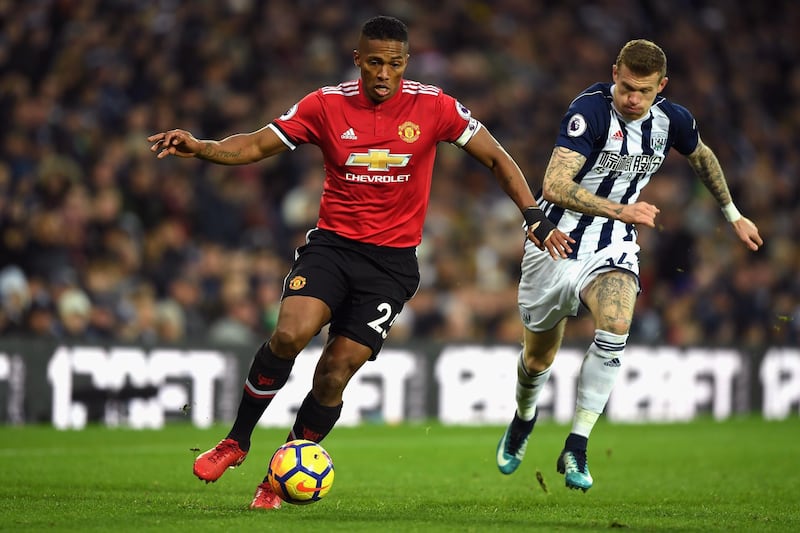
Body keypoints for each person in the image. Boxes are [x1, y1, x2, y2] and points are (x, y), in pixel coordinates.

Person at [149, 15, 573, 510]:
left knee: (336, 369)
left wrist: (534, 217)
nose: (384, 73)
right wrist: (201, 148)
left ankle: (278, 475)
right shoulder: (324, 105)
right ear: (358, 60)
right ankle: (236, 441)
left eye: (394, 63)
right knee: (289, 333)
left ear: (405, 63)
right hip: (333, 247)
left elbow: (497, 157)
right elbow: (256, 144)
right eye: (374, 62)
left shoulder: (435, 106)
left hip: (391, 265)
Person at [496, 39, 763, 492]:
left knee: (617, 321)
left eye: (642, 91)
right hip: (554, 243)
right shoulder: (591, 110)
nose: (632, 99)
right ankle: (524, 417)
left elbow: (703, 156)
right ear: (614, 72)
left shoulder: (671, 119)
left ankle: (576, 445)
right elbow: (554, 184)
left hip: (612, 244)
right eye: (624, 87)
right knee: (538, 357)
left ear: (662, 86)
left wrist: (732, 214)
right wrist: (622, 210)